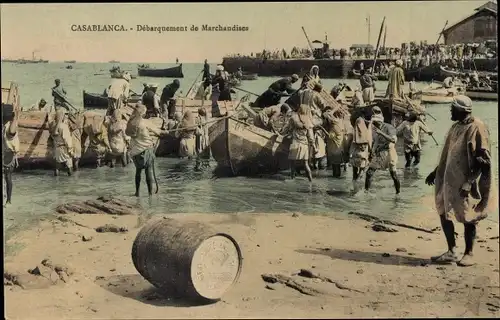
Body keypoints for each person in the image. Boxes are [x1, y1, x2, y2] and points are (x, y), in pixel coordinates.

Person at [425, 96, 496, 267]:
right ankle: (452, 251)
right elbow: (449, 153)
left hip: (465, 181)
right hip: (448, 180)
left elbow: (483, 161)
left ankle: (469, 253)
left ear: (461, 110)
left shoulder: (476, 127)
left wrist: (470, 182)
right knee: (443, 210)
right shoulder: (456, 126)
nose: (450, 111)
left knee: (468, 216)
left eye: (452, 108)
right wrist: (435, 172)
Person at [127, 104, 167, 197]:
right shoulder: (144, 122)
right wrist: (166, 132)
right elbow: (158, 132)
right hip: (146, 150)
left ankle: (137, 192)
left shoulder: (130, 122)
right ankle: (150, 194)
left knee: (138, 171)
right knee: (148, 171)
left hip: (135, 152)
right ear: (143, 113)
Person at [365, 111, 401, 194]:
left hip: (389, 152)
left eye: (375, 122)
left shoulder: (389, 127)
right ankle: (366, 192)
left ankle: (398, 193)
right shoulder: (376, 128)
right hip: (379, 153)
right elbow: (376, 141)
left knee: (394, 175)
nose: (374, 124)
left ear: (379, 122)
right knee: (369, 173)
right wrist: (372, 152)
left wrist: (381, 133)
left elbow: (393, 140)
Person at [282, 104, 317, 182]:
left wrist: (281, 133)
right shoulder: (308, 120)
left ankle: (292, 178)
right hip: (304, 144)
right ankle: (310, 180)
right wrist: (314, 146)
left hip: (295, 142)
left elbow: (288, 128)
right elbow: (311, 136)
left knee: (292, 162)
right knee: (305, 164)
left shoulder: (294, 118)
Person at [349, 107, 373, 191]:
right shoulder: (360, 121)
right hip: (362, 150)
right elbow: (364, 137)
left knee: (354, 173)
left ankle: (354, 190)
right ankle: (356, 191)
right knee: (362, 171)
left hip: (355, 150)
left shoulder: (358, 120)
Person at [2, 107, 19, 206]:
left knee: (7, 178)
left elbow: (12, 132)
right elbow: (11, 132)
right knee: (8, 178)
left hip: (7, 155)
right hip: (7, 155)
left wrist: (15, 118)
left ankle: (8, 199)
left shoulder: (7, 126)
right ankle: (8, 200)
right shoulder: (6, 126)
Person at [49, 109, 74, 176]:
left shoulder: (53, 126)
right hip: (64, 148)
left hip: (57, 148)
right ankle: (71, 182)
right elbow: (67, 139)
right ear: (62, 116)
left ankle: (56, 181)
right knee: (69, 165)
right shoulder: (64, 127)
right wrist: (70, 149)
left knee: (57, 166)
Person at [323, 107, 345, 177]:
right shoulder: (341, 121)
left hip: (335, 150)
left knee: (335, 169)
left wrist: (322, 129)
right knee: (337, 168)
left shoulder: (335, 123)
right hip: (339, 148)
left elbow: (330, 136)